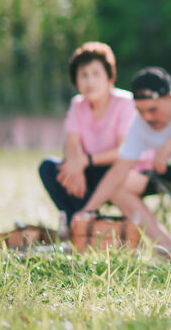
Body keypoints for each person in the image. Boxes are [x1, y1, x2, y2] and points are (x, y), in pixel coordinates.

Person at [72, 66, 171, 252]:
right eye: (140, 111)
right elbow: (118, 171)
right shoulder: (142, 122)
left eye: (152, 109)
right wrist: (88, 210)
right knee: (120, 186)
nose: (147, 117)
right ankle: (169, 246)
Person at [39, 42, 140, 230]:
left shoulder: (125, 103)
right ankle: (79, 223)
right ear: (75, 80)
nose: (89, 81)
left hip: (119, 170)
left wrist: (85, 161)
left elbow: (124, 150)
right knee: (49, 168)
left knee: (97, 172)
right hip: (87, 169)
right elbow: (70, 142)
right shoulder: (78, 104)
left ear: (109, 77)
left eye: (96, 74)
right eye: (83, 75)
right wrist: (76, 167)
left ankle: (84, 222)